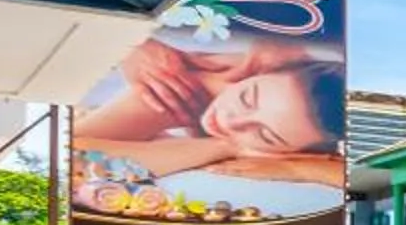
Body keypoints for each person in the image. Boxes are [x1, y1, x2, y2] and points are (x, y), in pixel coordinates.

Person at [74, 34, 346, 184]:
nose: (232, 121)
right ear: (258, 72)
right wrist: (231, 147)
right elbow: (73, 161)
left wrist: (300, 169)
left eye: (264, 135)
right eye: (246, 98)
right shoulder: (184, 89)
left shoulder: (325, 137)